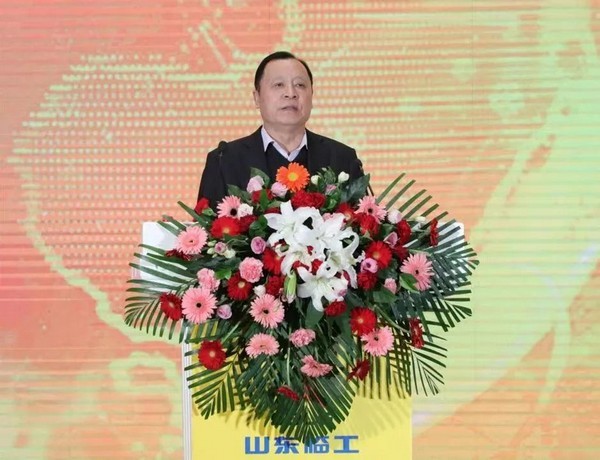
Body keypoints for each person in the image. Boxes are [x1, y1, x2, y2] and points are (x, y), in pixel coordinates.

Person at [197, 51, 364, 207]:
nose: (290, 93)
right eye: (278, 85)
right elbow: (207, 225)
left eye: (300, 85)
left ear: (311, 95)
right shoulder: (224, 161)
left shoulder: (343, 158)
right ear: (257, 97)